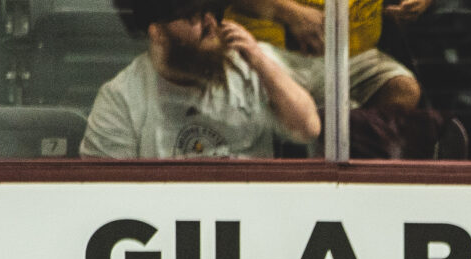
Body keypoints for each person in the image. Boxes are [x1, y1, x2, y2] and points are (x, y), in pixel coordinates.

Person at [84, 0, 321, 159]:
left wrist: (261, 63)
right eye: (192, 16)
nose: (210, 23)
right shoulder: (121, 97)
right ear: (157, 32)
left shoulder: (251, 63)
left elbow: (308, 128)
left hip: (250, 214)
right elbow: (107, 194)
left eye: (213, 11)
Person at [227, 0, 421, 116]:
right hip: (269, 49)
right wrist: (289, 13)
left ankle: (363, 171)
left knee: (402, 89)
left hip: (354, 55)